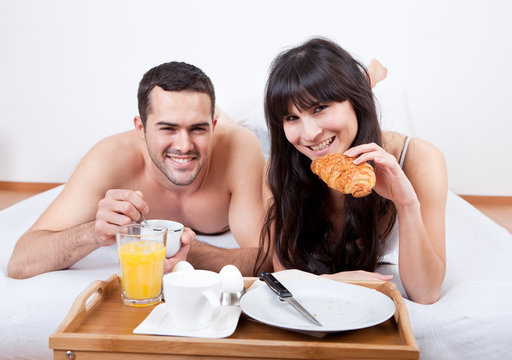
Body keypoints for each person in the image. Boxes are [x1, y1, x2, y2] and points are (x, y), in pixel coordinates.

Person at [8, 61, 270, 279]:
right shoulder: (109, 157)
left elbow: (266, 260)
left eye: (198, 128)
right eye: (167, 128)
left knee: (265, 135)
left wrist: (176, 246)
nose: (183, 146)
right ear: (141, 128)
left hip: (252, 135)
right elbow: (21, 261)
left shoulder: (240, 146)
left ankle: (226, 116)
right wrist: (93, 233)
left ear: (213, 126)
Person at [256, 37, 447, 304]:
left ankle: (371, 75)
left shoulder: (419, 159)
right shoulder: (278, 171)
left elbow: (425, 293)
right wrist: (335, 282)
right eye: (291, 118)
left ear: (356, 101)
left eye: (320, 108)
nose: (310, 134)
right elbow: (284, 276)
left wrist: (406, 203)